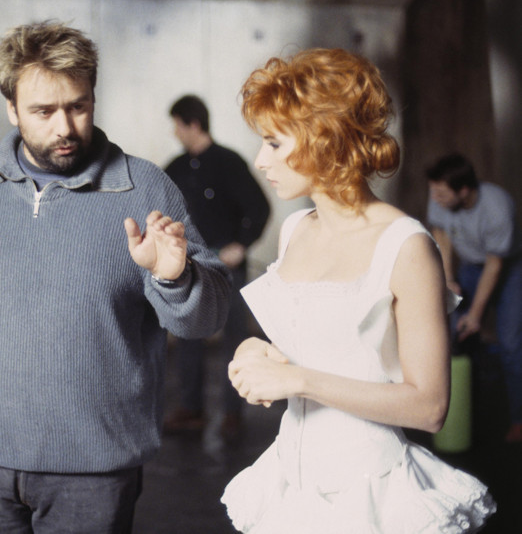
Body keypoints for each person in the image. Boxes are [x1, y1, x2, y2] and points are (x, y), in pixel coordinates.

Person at [0, 20, 231, 533]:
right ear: (11, 108)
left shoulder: (145, 190)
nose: (65, 128)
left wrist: (175, 276)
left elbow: (205, 319)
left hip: (94, 473)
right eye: (43, 111)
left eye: (78, 106)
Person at [220, 48, 496, 532]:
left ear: (324, 141)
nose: (261, 160)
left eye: (274, 143)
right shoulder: (295, 229)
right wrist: (257, 351)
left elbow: (430, 407)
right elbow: (316, 347)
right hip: (292, 478)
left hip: (369, 491)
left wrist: (299, 380)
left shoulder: (406, 246)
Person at [163, 94, 269, 435]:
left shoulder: (229, 163)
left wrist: (241, 244)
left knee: (235, 340)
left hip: (228, 266)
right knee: (188, 336)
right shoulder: (175, 168)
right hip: (189, 267)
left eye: (177, 126)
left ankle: (232, 414)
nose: (175, 133)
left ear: (192, 124)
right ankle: (191, 409)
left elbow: (259, 208)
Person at [426, 153, 522, 444]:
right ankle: (469, 409)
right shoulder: (439, 197)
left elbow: (494, 266)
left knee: (510, 344)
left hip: (508, 268)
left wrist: (477, 314)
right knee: (457, 335)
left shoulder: (497, 207)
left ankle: (519, 419)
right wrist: (448, 279)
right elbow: (441, 238)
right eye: (433, 191)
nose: (435, 198)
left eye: (441, 193)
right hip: (468, 266)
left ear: (464, 190)